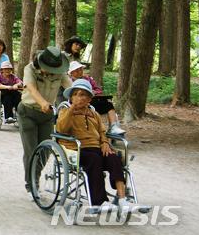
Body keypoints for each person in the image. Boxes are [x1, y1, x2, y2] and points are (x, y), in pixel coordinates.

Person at [56, 79, 145, 212]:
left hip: (96, 148)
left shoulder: (94, 114)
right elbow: (61, 129)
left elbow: (102, 131)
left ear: (89, 99)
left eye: (83, 95)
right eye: (76, 94)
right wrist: (72, 109)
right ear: (71, 97)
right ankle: (100, 202)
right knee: (94, 159)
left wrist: (104, 142)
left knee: (114, 158)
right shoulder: (65, 111)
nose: (79, 98)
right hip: (76, 148)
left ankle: (122, 200)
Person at [18, 46, 71, 192]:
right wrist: (43, 103)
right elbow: (31, 88)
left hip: (47, 116)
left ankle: (35, 177)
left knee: (45, 150)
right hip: (27, 112)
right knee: (31, 150)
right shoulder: (30, 69)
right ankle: (31, 184)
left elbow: (70, 87)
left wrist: (80, 96)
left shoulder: (60, 71)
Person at [67, 61, 125, 135]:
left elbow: (98, 90)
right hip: (78, 104)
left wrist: (93, 92)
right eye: (77, 70)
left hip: (91, 101)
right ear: (71, 73)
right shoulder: (68, 81)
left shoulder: (88, 79)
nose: (80, 72)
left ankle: (113, 127)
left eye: (81, 69)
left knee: (108, 104)